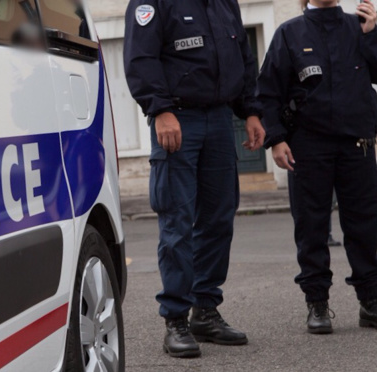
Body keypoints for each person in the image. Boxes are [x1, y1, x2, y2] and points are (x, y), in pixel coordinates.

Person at [123, 0, 265, 358]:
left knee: (218, 219)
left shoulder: (224, 3)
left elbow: (243, 59)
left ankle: (205, 310)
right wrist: (160, 109)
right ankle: (176, 320)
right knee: (177, 223)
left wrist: (250, 110)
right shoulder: (151, 2)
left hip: (219, 120)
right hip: (177, 120)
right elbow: (141, 58)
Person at [257, 0, 377, 334]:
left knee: (365, 226)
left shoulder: (360, 27)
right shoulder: (289, 33)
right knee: (311, 227)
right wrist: (276, 139)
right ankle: (317, 302)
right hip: (308, 147)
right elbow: (268, 93)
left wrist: (372, 35)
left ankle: (370, 300)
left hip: (357, 145)